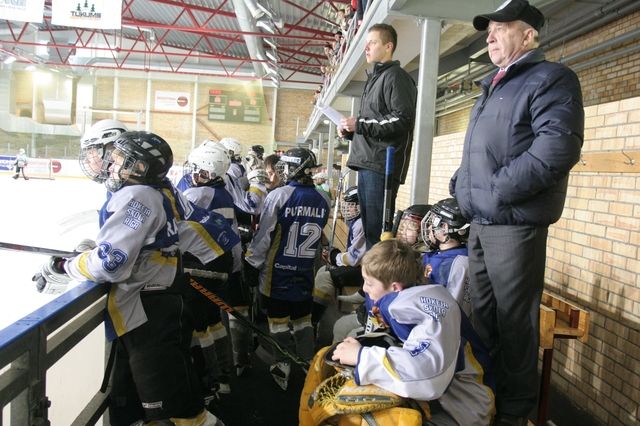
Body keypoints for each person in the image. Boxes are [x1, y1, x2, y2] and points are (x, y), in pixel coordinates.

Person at [33, 132, 233, 425]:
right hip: (160, 307)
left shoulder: (137, 197)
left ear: (139, 167)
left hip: (149, 314)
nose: (111, 166)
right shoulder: (156, 191)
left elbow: (111, 263)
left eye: (118, 161)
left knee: (179, 413)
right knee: (171, 405)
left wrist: (66, 266)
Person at [449, 1, 584, 424]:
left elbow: (557, 147)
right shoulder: (493, 86)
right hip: (481, 222)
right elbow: (484, 153)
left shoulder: (551, 78)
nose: (490, 36)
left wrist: (496, 189)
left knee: (514, 329)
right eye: (488, 29)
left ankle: (513, 415)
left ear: (529, 35)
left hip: (514, 225)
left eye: (501, 28)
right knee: (483, 324)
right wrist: (462, 185)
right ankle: (485, 406)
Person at [329, 239, 495, 426]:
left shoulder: (427, 310)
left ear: (395, 287)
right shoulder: (414, 296)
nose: (365, 289)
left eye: (369, 283)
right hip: (445, 399)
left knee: (369, 420)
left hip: (468, 410)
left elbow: (426, 372)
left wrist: (362, 357)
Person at [244, 147, 330, 391]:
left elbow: (265, 235)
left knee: (278, 322)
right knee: (303, 320)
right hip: (305, 270)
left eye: (286, 167)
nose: (282, 171)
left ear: (296, 169)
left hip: (277, 271)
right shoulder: (324, 198)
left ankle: (282, 364)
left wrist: (252, 262)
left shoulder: (279, 195)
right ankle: (308, 364)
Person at [338, 23, 417, 249]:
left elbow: (401, 120)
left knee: (378, 235)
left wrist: (360, 124)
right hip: (368, 163)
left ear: (388, 46)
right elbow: (376, 127)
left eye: (372, 43)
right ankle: (372, 272)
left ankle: (379, 273)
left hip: (382, 166)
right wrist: (352, 132)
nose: (366, 48)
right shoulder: (374, 79)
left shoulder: (396, 77)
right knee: (371, 232)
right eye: (366, 44)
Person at [311, 185, 365, 336]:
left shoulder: (361, 224)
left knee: (324, 277)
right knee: (323, 270)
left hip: (364, 270)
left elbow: (354, 259)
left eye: (353, 205)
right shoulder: (359, 221)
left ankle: (313, 320)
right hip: (362, 266)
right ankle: (317, 316)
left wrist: (335, 257)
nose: (348, 208)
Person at [420, 198, 472, 318]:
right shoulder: (467, 255)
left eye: (433, 223)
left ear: (444, 228)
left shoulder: (446, 264)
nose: (429, 228)